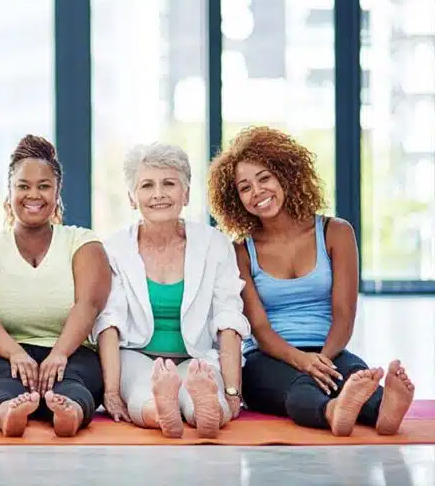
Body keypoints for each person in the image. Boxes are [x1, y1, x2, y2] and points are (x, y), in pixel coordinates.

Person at [207, 126, 414, 436]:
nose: (258, 192)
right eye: (245, 187)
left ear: (286, 176)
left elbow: (344, 314)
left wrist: (323, 360)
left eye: (265, 178)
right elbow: (260, 330)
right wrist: (303, 362)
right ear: (236, 199)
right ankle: (333, 412)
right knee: (301, 387)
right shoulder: (241, 251)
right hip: (267, 358)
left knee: (353, 372)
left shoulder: (336, 232)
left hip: (329, 349)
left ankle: (385, 411)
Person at [95, 143, 248, 439]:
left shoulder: (214, 243)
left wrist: (232, 390)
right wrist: (112, 393)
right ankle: (162, 413)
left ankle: (205, 414)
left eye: (169, 184)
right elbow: (109, 322)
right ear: (131, 197)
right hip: (137, 354)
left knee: (205, 393)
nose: (158, 194)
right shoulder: (114, 249)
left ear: (186, 193)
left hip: (196, 357)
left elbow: (228, 317)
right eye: (147, 185)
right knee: (143, 392)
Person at [0, 135, 111, 438]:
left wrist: (59, 353)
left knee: (75, 381)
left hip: (71, 350)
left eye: (43, 186)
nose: (33, 194)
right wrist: (15, 354)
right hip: (3, 351)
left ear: (57, 191)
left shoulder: (83, 242)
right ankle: (9, 412)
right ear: (9, 192)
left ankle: (69, 413)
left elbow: (87, 305)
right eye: (23, 186)